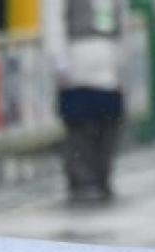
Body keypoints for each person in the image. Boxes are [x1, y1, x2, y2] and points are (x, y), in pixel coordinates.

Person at [41, 0, 128, 204]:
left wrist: (121, 58)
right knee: (81, 128)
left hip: (108, 62)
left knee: (108, 125)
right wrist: (60, 64)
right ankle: (83, 180)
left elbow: (121, 21)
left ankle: (101, 177)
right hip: (77, 63)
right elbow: (54, 24)